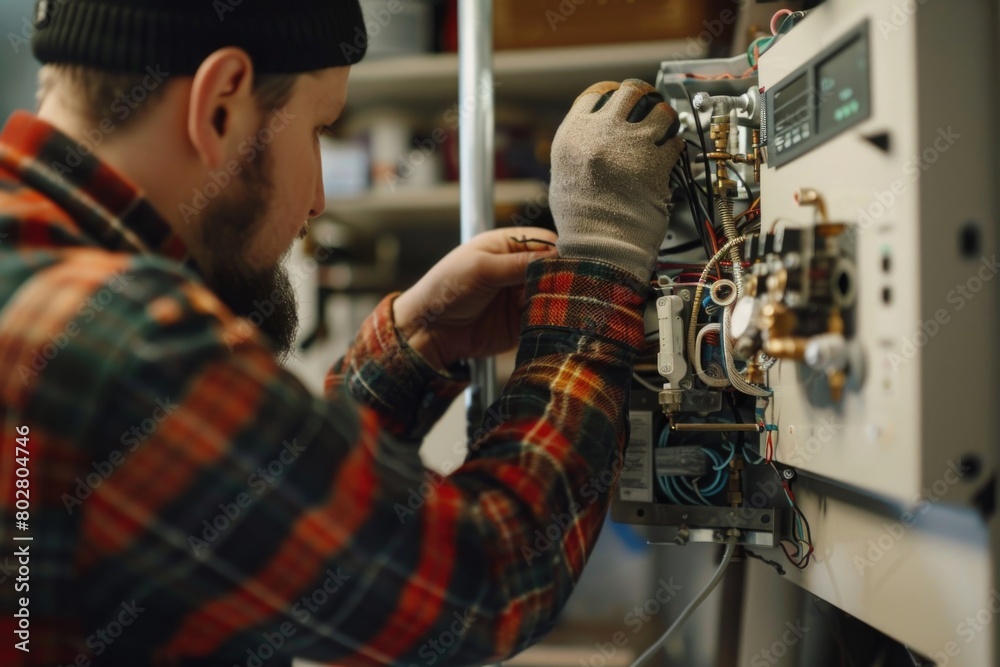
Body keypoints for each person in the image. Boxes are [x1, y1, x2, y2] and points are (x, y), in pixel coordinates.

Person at [0, 1, 683, 665]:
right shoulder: (130, 345)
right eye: (319, 129)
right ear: (221, 104)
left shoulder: (50, 292)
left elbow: (236, 519)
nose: (319, 198)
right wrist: (598, 264)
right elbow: (484, 579)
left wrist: (411, 349)